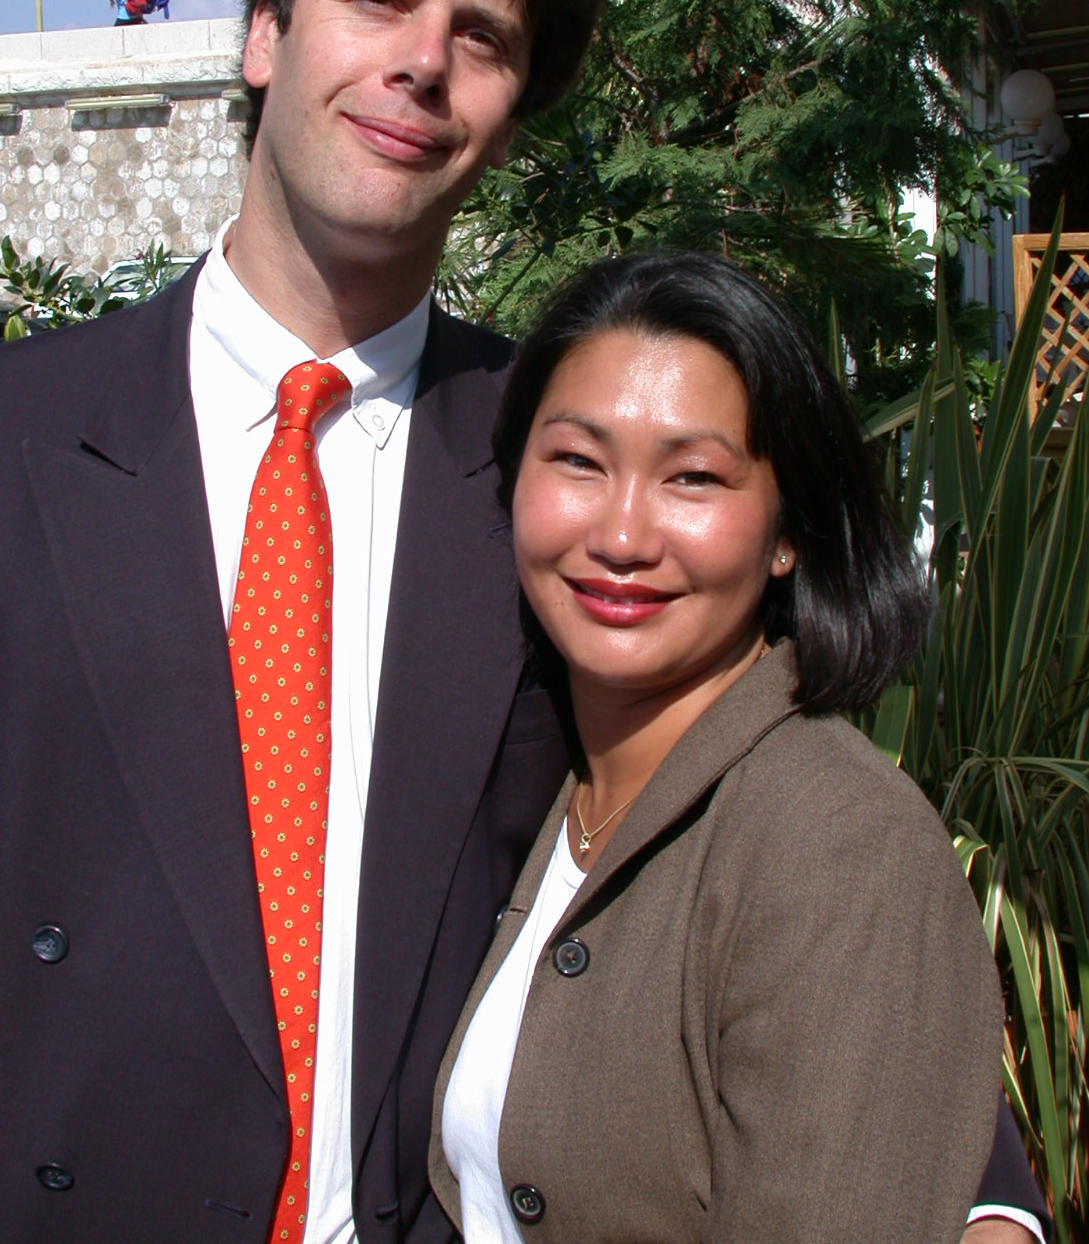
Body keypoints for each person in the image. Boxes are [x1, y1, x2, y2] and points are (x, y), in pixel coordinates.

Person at [0, 0, 1040, 1244]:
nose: (423, 62)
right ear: (264, 28)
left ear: (510, 120)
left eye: (483, 36)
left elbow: (753, 795)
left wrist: (985, 1192)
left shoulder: (560, 485)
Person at [429, 251, 1036, 1244]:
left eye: (694, 477)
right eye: (579, 460)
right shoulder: (554, 784)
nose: (622, 535)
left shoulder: (837, 842)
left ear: (787, 531)